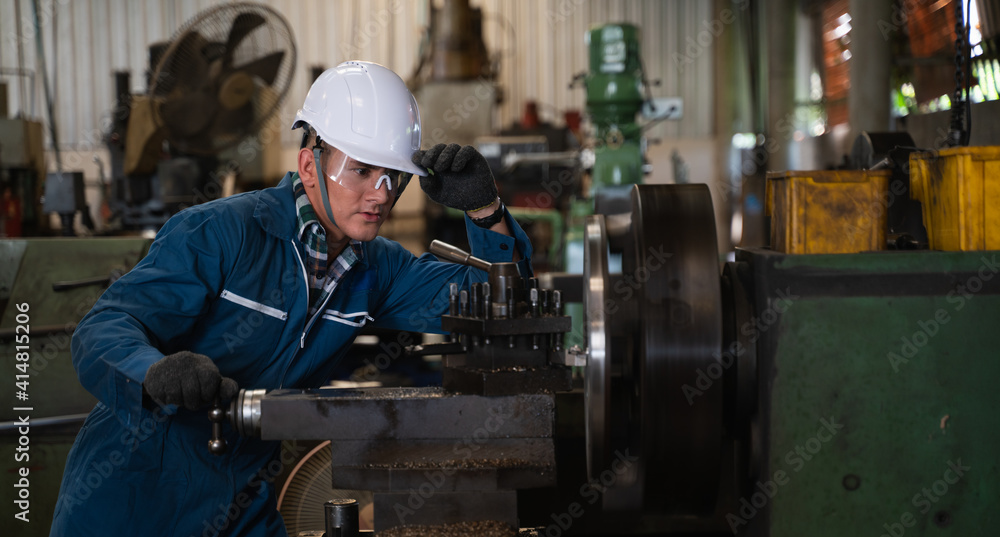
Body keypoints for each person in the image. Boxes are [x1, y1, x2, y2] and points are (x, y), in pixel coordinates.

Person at [49, 61, 532, 536]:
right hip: (132, 500)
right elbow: (103, 328)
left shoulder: (377, 267)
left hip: (242, 503)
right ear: (308, 165)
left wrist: (485, 211)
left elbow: (502, 305)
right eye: (362, 171)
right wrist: (152, 373)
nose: (381, 195)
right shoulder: (221, 233)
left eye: (394, 177)